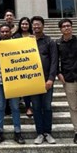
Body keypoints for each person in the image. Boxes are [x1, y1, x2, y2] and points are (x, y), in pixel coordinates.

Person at [0, 24, 25, 145]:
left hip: (13, 81)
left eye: (7, 31)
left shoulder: (16, 45)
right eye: (2, 32)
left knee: (15, 108)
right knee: (0, 108)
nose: (5, 33)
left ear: (10, 32)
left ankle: (18, 132)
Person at [28, 16, 58, 145]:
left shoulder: (50, 41)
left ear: (43, 26)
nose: (36, 27)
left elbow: (54, 61)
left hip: (46, 80)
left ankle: (48, 132)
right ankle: (39, 133)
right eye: (34, 25)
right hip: (33, 81)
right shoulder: (27, 42)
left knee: (46, 107)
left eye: (38, 24)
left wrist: (51, 79)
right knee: (36, 107)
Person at [13, 16, 33, 118]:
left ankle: (29, 106)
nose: (24, 26)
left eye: (26, 24)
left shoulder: (33, 36)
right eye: (22, 24)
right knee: (24, 88)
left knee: (30, 88)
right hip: (19, 65)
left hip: (31, 65)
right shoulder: (16, 36)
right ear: (20, 25)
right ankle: (26, 105)